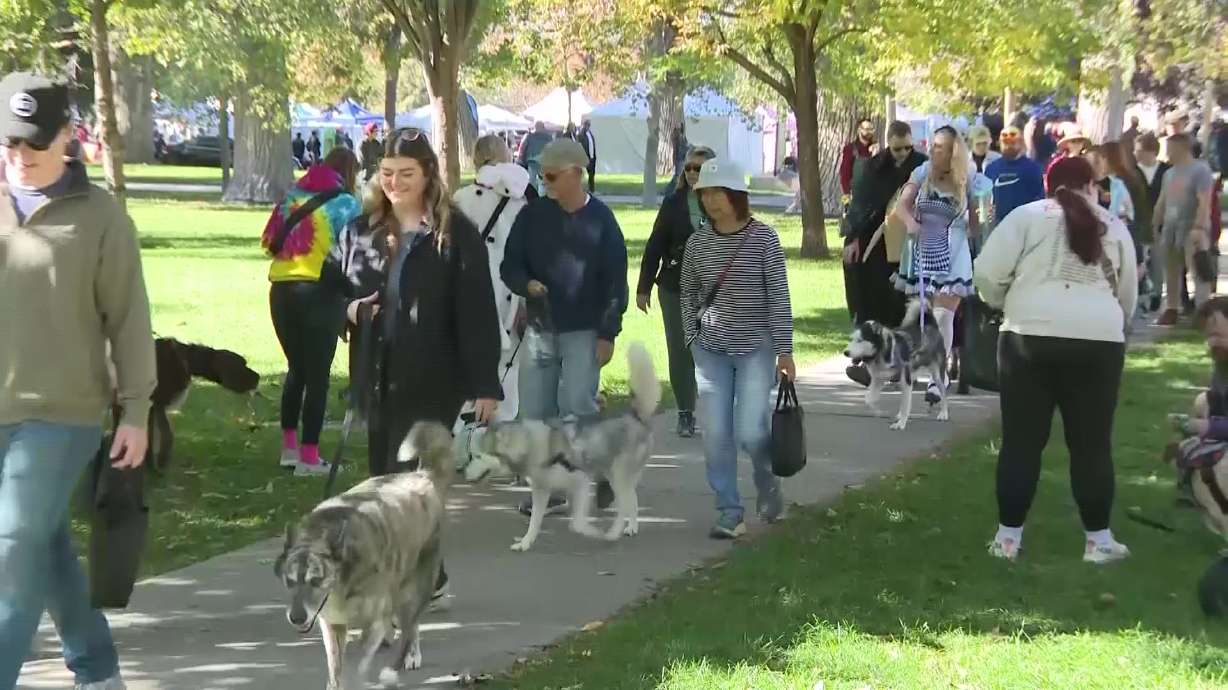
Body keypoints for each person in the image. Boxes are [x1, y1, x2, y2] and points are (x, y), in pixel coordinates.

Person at [0, 72, 156, 690]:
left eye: (35, 142)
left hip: (62, 413)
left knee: (12, 545)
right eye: (10, 142)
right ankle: (98, 670)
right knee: (46, 545)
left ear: (68, 135)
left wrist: (137, 410)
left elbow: (129, 317)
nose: (21, 155)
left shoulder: (100, 217)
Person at [973, 156, 1137, 564]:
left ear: (1048, 185)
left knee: (1021, 442)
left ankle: (1007, 539)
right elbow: (1128, 294)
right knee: (1092, 444)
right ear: (1091, 185)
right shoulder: (1113, 226)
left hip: (1028, 334)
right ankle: (1098, 541)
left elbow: (988, 273)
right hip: (1097, 341)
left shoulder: (1026, 217)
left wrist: (1004, 301)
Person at [501, 139, 628, 515]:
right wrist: (526, 284)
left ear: (576, 173)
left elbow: (615, 282)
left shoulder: (601, 220)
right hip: (541, 329)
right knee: (535, 414)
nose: (544, 181)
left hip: (584, 330)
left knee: (577, 408)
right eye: (542, 174)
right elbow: (510, 265)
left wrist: (607, 332)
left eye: (552, 175)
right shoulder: (533, 216)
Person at [681, 158, 794, 539]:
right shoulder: (697, 243)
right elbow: (688, 292)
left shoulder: (764, 239)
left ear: (737, 195)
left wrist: (785, 351)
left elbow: (779, 297)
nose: (711, 201)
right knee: (715, 435)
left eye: (719, 193)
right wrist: (691, 337)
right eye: (705, 193)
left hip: (755, 350)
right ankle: (729, 510)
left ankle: (767, 482)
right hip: (710, 350)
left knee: (751, 432)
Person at [262, 147, 362, 476]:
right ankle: (309, 458)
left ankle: (289, 449)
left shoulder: (292, 196)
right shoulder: (347, 204)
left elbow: (269, 242)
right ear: (350, 172)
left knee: (297, 370)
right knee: (318, 377)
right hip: (319, 291)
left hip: (280, 290)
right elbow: (357, 252)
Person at [892, 125, 987, 404]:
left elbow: (976, 225)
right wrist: (911, 223)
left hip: (954, 250)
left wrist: (981, 218)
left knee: (944, 315)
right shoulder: (922, 172)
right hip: (924, 248)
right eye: (932, 145)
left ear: (953, 151)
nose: (933, 151)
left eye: (940, 147)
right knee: (932, 317)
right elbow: (902, 205)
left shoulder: (970, 177)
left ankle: (938, 376)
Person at [637, 145, 717, 438]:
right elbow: (655, 244)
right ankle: (685, 412)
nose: (693, 173)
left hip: (715, 290)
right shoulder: (674, 203)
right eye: (689, 168)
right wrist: (644, 287)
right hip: (675, 287)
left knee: (713, 351)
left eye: (699, 168)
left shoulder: (725, 202)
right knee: (681, 351)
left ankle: (720, 410)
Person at [452, 135, 532, 424]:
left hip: (471, 288)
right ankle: (500, 426)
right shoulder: (521, 199)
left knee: (470, 356)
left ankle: (467, 428)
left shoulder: (461, 199)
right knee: (507, 363)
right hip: (510, 289)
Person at [842, 120, 928, 355]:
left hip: (911, 240)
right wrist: (853, 238)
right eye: (897, 148)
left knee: (906, 299)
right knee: (873, 291)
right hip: (878, 240)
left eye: (908, 147)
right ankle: (874, 350)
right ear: (888, 144)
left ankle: (906, 352)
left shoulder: (922, 165)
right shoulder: (875, 167)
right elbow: (861, 205)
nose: (903, 153)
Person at [1153, 133, 1216, 325]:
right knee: (1171, 271)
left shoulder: (1200, 170)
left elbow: (1204, 201)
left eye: (1170, 148)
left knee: (1198, 270)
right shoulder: (1168, 173)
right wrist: (1155, 223)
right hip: (1170, 229)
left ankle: (1203, 312)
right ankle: (1172, 308)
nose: (1167, 153)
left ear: (1182, 147)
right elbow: (1162, 200)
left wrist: (1199, 227)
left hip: (1192, 228)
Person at [1135, 132, 1171, 312]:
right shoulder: (1133, 172)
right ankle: (1141, 295)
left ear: (1151, 151)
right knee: (1140, 260)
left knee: (1158, 261)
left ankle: (1156, 293)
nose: (1136, 153)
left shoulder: (1166, 171)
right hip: (1140, 224)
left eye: (1139, 150)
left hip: (1161, 224)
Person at [984, 125, 1045, 225]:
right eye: (1004, 138)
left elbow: (1039, 202)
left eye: (1013, 138)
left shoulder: (1033, 168)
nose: (1008, 140)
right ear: (999, 142)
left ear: (1021, 142)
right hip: (998, 227)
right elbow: (985, 201)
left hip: (1024, 225)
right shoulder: (991, 169)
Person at [839, 117, 877, 203]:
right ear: (859, 130)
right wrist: (846, 198)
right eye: (866, 129)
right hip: (855, 196)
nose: (869, 132)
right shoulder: (850, 149)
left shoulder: (876, 149)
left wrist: (876, 155)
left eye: (871, 129)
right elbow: (844, 175)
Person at [516, 121, 553, 193]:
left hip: (532, 162)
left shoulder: (529, 136)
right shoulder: (549, 137)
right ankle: (542, 196)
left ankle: (533, 196)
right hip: (544, 163)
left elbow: (522, 148)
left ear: (535, 127)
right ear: (543, 127)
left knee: (532, 183)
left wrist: (521, 160)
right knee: (544, 182)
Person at [578, 118, 597, 193]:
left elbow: (592, 144)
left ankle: (591, 189)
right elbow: (580, 145)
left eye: (589, 125)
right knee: (582, 173)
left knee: (592, 173)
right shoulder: (581, 134)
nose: (588, 126)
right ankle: (580, 189)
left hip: (592, 156)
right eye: (587, 125)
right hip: (586, 156)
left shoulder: (590, 133)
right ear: (584, 125)